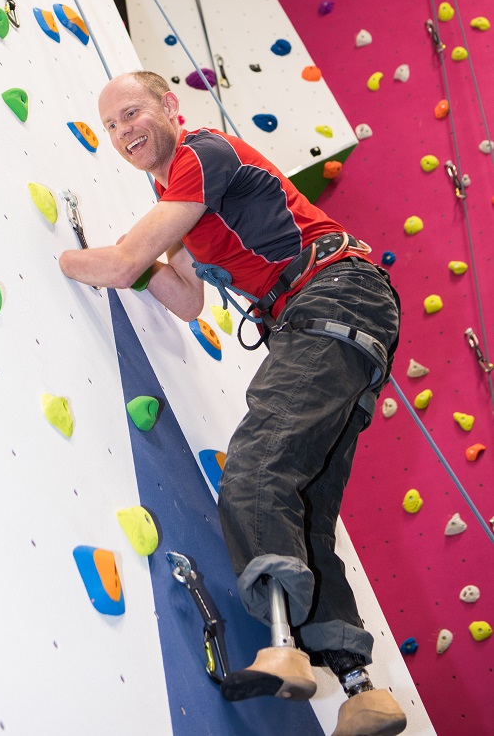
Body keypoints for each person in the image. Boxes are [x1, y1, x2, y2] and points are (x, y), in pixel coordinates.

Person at [60, 71, 406, 736]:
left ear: (169, 106)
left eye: (131, 112)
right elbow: (188, 301)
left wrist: (67, 259)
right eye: (110, 126)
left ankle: (284, 649)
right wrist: (152, 263)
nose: (123, 131)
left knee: (254, 471)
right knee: (303, 511)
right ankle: (365, 692)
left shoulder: (201, 156)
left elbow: (118, 259)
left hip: (333, 299)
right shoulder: (181, 197)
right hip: (337, 317)